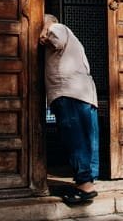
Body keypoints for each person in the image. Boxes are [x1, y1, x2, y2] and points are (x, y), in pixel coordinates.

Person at [40, 13, 99, 205]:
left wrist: (46, 26)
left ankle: (84, 184)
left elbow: (56, 38)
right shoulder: (75, 41)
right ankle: (88, 180)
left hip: (68, 92)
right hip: (83, 93)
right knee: (87, 137)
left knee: (74, 138)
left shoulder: (58, 28)